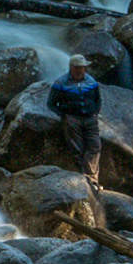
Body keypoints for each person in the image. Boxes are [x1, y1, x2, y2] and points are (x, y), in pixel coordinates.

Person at [47, 54, 103, 185]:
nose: (80, 70)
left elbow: (98, 99)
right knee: (77, 149)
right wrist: (63, 115)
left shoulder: (91, 82)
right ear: (71, 67)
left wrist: (95, 112)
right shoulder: (60, 83)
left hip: (90, 118)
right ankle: (85, 179)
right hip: (72, 119)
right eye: (77, 67)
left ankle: (91, 179)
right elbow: (51, 103)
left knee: (95, 146)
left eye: (82, 67)